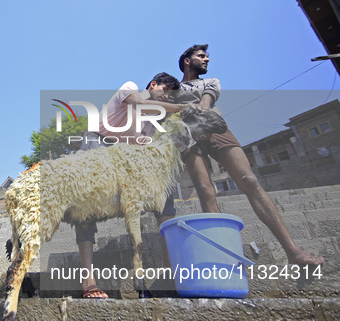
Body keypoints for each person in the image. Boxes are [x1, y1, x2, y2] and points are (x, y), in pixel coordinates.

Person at [177, 44, 324, 265]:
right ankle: (226, 256)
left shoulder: (211, 81)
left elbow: (207, 100)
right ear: (187, 60)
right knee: (206, 191)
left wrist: (199, 109)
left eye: (207, 56)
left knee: (249, 180)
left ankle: (293, 251)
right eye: (201, 56)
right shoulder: (173, 88)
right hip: (187, 136)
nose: (206, 59)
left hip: (215, 127)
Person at [77, 72, 185, 299]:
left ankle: (168, 273)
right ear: (153, 85)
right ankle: (88, 281)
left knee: (165, 192)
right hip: (98, 143)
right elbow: (140, 104)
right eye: (165, 91)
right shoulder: (131, 88)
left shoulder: (153, 125)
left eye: (171, 96)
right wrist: (179, 108)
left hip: (125, 157)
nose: (167, 97)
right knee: (86, 204)